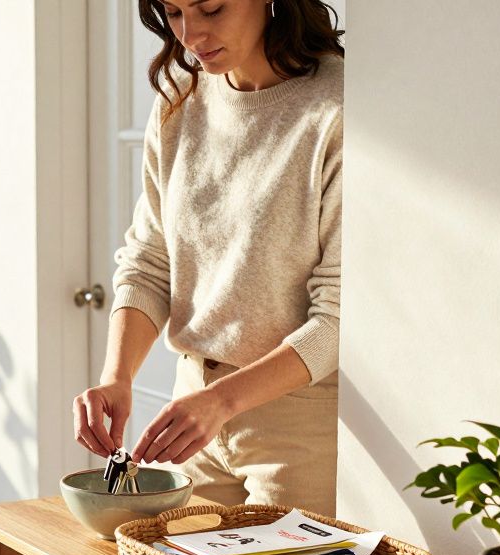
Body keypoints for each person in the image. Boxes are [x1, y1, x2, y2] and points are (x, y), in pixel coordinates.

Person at [73, 0, 344, 519]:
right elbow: (150, 258)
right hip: (192, 408)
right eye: (173, 13)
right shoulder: (181, 97)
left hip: (297, 427)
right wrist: (117, 376)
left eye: (211, 8)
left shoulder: (336, 109)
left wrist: (224, 402)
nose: (191, 35)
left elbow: (340, 316)